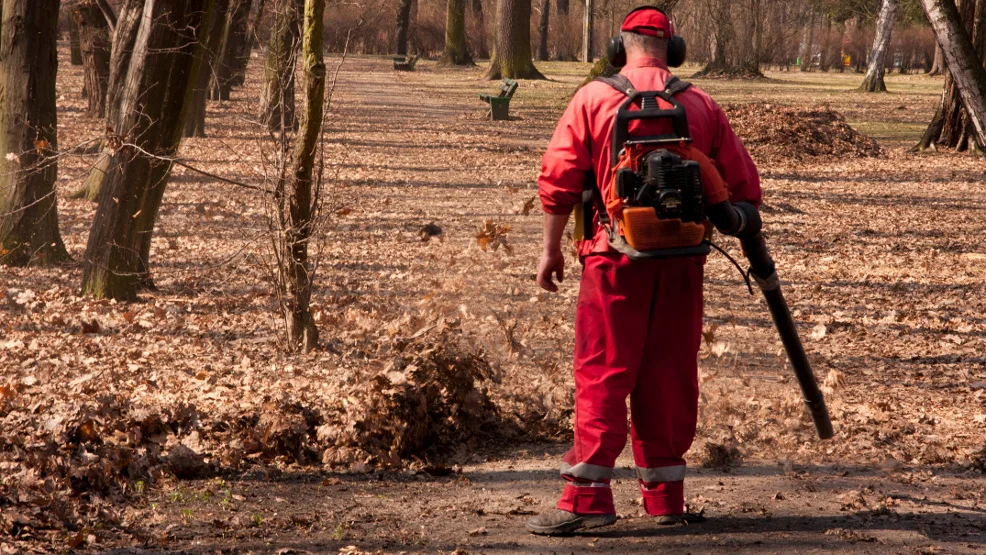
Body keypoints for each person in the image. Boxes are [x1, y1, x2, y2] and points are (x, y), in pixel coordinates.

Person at [527, 6, 763, 535]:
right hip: (683, 263)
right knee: (669, 376)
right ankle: (666, 503)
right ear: (673, 51)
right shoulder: (701, 104)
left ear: (620, 46)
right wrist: (735, 218)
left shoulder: (593, 98)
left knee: (603, 374)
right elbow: (745, 190)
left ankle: (586, 502)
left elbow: (559, 178)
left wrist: (550, 250)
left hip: (613, 260)